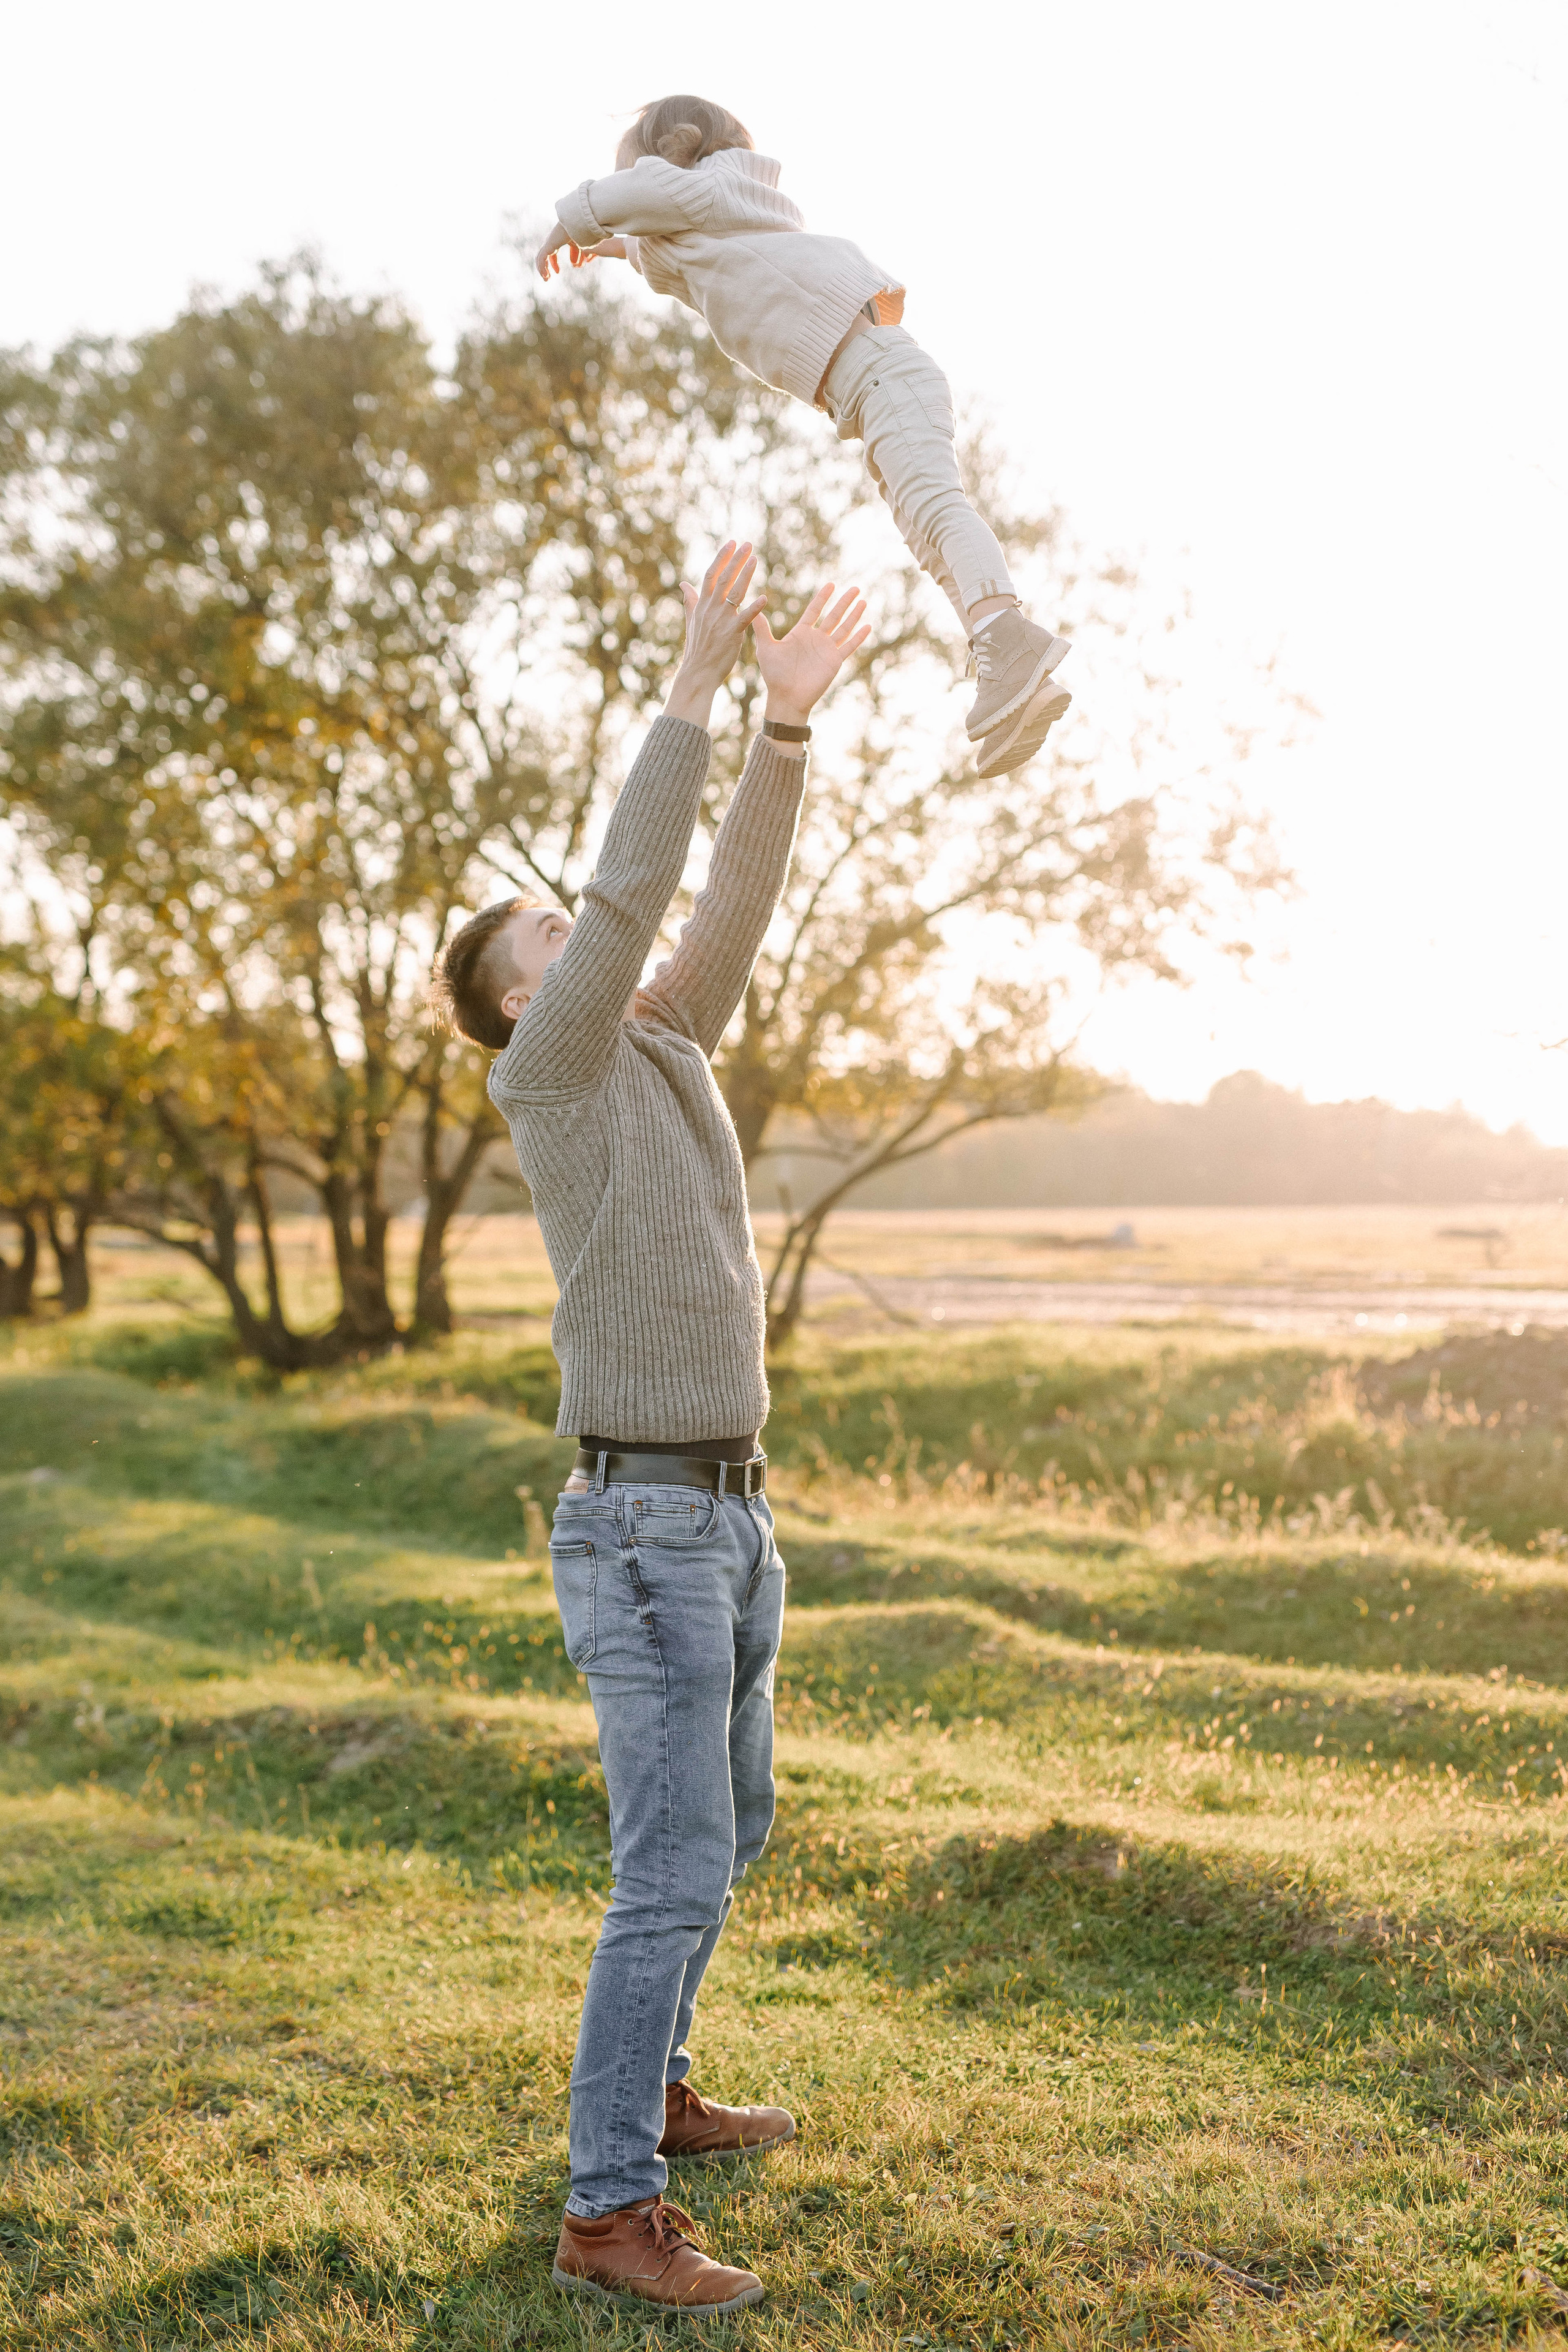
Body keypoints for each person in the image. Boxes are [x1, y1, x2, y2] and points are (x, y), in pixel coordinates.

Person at [429, 541, 870, 2318]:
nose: (584, 932)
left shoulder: (664, 1043)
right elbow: (628, 897)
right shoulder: (546, 1071)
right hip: (645, 1530)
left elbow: (724, 906)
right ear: (519, 998)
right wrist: (687, 680)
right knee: (669, 1864)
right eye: (550, 939)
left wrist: (782, 727)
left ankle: (659, 2096)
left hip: (730, 1517)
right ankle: (607, 2210)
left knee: (728, 1831)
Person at [535, 92, 1072, 782]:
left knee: (937, 508)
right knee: (926, 538)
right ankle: (1016, 677)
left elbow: (649, 197)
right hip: (866, 390)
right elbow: (650, 244)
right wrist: (599, 244)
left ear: (667, 161)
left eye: (632, 180)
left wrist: (571, 220)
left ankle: (1007, 639)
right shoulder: (706, 233)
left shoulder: (719, 185)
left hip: (880, 370)